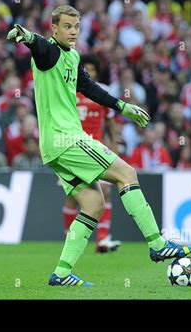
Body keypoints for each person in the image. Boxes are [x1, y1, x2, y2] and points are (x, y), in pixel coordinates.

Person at [7, 5, 191, 287]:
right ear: (54, 28)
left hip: (56, 146)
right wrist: (26, 36)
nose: (72, 31)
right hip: (67, 138)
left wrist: (123, 107)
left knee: (94, 204)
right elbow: (40, 47)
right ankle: (157, 243)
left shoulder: (72, 56)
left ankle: (60, 274)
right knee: (127, 174)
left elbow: (89, 87)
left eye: (76, 26)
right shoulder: (50, 53)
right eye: (67, 26)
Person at [62, 54, 121, 253]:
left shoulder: (102, 92)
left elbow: (111, 121)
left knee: (105, 191)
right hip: (73, 149)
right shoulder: (68, 90)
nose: (89, 73)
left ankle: (102, 240)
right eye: (85, 69)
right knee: (74, 196)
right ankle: (69, 236)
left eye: (92, 70)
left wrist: (114, 144)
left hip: (96, 149)